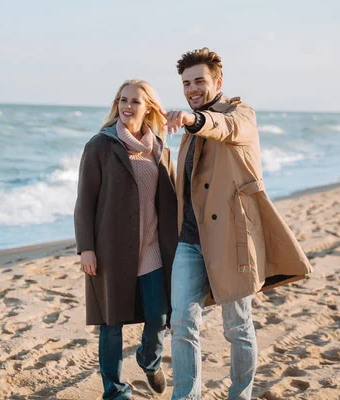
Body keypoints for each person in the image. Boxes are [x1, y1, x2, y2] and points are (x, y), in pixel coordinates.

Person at [164, 48, 314, 400]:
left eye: (199, 81)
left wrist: (191, 120)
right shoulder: (190, 127)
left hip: (231, 239)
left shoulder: (239, 114)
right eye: (186, 83)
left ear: (218, 81)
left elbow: (225, 128)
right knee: (182, 321)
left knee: (237, 325)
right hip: (190, 239)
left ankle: (240, 395)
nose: (192, 89)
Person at [74, 79, 178, 400]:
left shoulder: (160, 149)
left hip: (153, 251)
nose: (127, 106)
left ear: (148, 108)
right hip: (111, 252)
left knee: (159, 318)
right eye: (123, 100)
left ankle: (149, 359)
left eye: (135, 101)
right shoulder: (100, 145)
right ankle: (116, 392)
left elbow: (174, 200)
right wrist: (87, 249)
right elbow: (85, 201)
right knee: (111, 324)